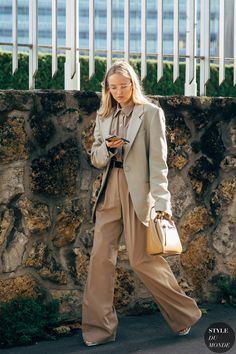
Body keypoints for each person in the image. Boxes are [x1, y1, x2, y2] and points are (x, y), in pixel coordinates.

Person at [82, 60, 202, 347]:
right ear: (107, 89)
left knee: (142, 260)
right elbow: (96, 159)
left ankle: (183, 314)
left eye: (123, 86)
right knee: (100, 259)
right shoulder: (103, 114)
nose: (119, 92)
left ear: (133, 84)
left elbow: (158, 164)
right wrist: (107, 149)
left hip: (139, 193)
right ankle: (98, 330)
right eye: (113, 87)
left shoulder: (150, 113)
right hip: (110, 190)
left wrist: (163, 205)